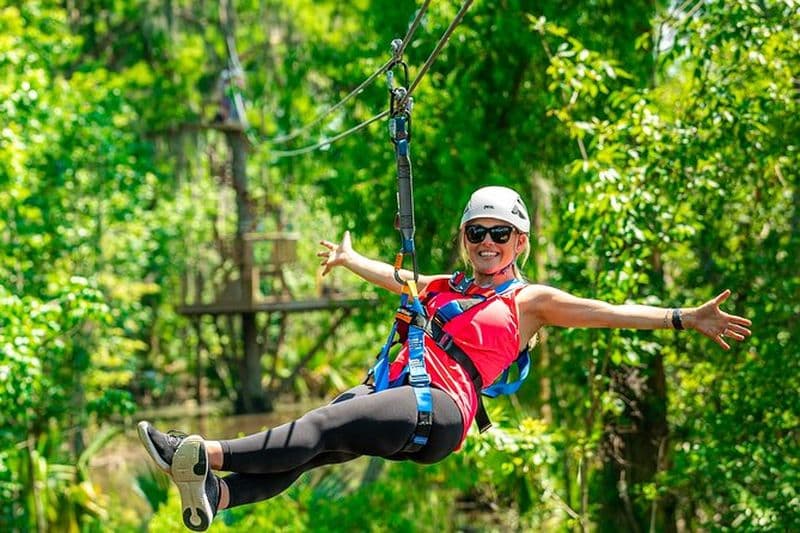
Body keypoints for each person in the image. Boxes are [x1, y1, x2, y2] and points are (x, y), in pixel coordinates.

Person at [138, 186, 752, 531]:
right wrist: (352, 262)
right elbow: (397, 277)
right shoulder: (444, 287)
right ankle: (219, 497)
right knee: (321, 442)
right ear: (465, 239)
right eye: (477, 233)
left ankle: (199, 452)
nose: (487, 243)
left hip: (442, 406)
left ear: (520, 243)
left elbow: (609, 309)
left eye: (499, 234)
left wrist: (682, 317)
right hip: (403, 396)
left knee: (322, 424)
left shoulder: (529, 300)